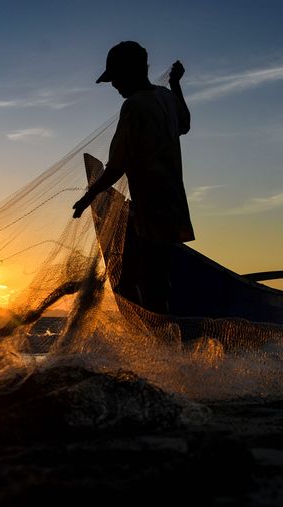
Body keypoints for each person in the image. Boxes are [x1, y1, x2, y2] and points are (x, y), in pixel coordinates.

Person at [72, 41, 194, 314]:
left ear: (130, 72)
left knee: (139, 281)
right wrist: (176, 83)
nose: (114, 86)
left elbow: (116, 166)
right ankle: (162, 337)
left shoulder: (134, 106)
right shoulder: (165, 97)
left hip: (150, 208)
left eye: (115, 78)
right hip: (173, 205)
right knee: (157, 276)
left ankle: (158, 342)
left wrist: (89, 196)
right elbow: (185, 123)